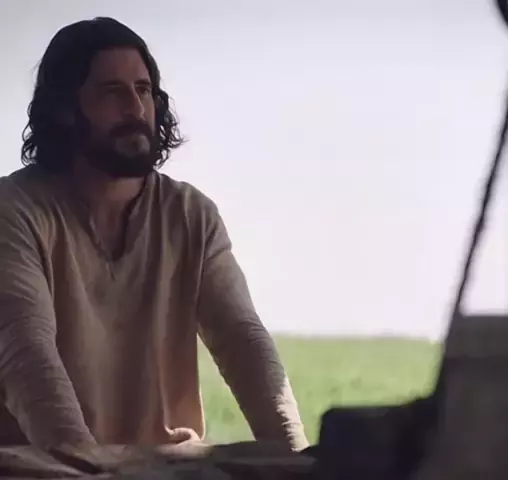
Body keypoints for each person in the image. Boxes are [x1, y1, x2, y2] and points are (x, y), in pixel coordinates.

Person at [0, 17, 308, 451]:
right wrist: (88, 468)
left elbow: (242, 340)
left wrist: (298, 460)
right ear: (64, 110)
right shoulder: (15, 211)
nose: (135, 109)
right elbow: (26, 355)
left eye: (143, 90)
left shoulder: (190, 215)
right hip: (46, 466)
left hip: (165, 465)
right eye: (112, 92)